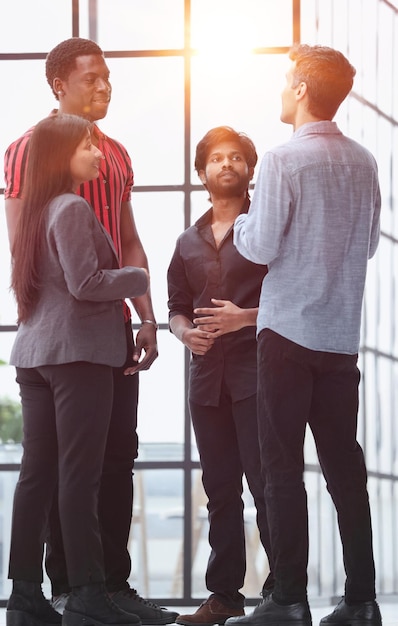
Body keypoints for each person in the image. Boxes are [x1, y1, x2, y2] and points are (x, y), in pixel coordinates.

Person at [4, 37, 177, 624]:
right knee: (73, 470)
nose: (105, 87)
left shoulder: (117, 155)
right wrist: (131, 282)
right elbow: (28, 253)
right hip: (73, 335)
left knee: (108, 460)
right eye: (92, 79)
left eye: (109, 78)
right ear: (59, 84)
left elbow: (128, 237)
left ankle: (91, 588)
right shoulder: (28, 151)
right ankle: (77, 590)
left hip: (97, 332)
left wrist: (148, 315)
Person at [224, 45, 382, 626]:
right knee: (346, 469)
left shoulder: (283, 161)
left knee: (281, 467)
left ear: (299, 91)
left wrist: (241, 221)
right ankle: (361, 602)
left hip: (288, 334)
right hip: (340, 338)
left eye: (285, 80)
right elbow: (364, 247)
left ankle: (289, 600)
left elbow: (260, 246)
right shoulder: (365, 162)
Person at [167, 126, 274, 626]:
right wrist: (185, 334)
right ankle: (225, 596)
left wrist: (244, 317)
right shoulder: (186, 242)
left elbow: (289, 296)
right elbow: (175, 309)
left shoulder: (265, 230)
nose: (226, 164)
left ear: (249, 171)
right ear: (202, 172)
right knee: (220, 491)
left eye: (236, 158)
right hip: (206, 381)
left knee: (268, 483)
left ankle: (283, 591)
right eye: (216, 158)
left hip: (259, 377)